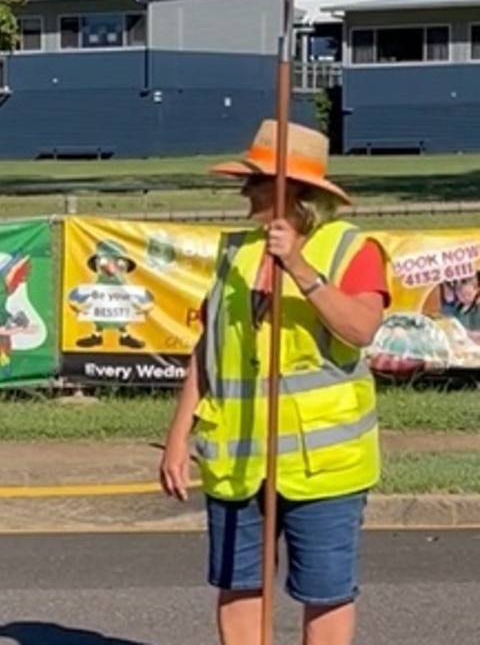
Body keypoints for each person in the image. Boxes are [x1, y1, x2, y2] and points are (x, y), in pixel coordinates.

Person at [158, 119, 390, 645]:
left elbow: (361, 328)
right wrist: (177, 435)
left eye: (255, 180)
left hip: (324, 467)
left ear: (293, 192)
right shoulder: (236, 253)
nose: (243, 190)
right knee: (239, 588)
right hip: (237, 459)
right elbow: (209, 349)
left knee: (324, 593)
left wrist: (301, 269)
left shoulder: (351, 249)